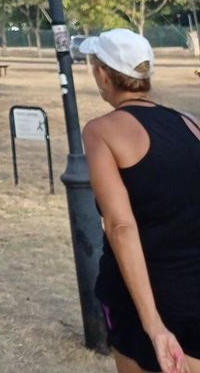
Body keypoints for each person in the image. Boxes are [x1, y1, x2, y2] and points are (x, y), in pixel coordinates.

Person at [81, 28, 200, 373]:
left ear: (103, 74)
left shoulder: (101, 131)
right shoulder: (190, 124)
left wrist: (155, 327)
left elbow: (120, 225)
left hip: (143, 298)